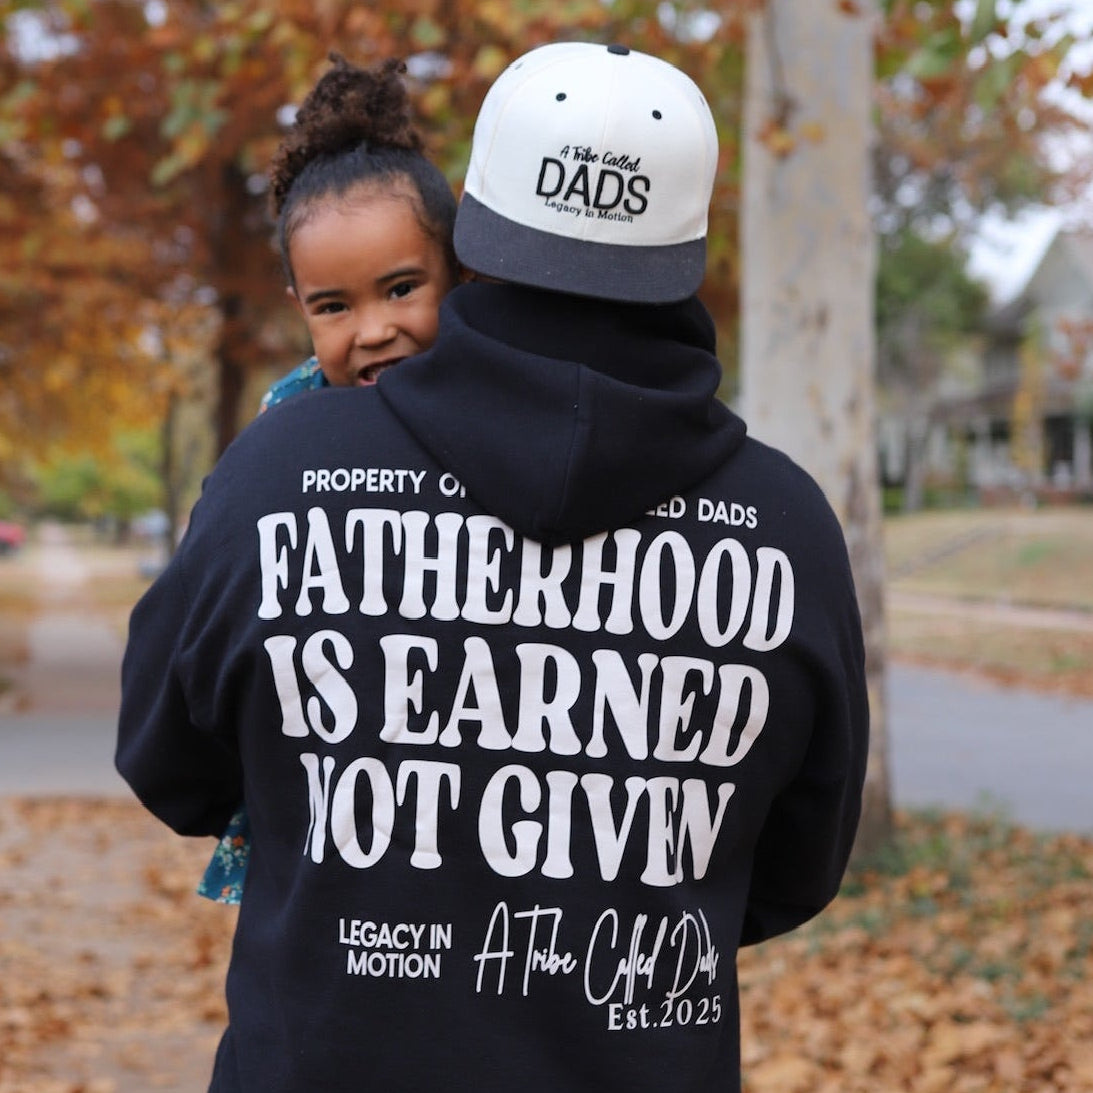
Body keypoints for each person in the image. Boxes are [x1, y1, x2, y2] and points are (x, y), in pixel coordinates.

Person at [117, 41, 868, 1093]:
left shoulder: (278, 478)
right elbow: (790, 867)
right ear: (684, 250)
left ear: (473, 233)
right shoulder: (784, 529)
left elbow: (169, 762)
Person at [197, 53, 460, 904]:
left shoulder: (494, 416)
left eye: (401, 288)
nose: (374, 330)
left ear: (458, 274)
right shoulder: (286, 437)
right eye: (334, 306)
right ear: (297, 304)